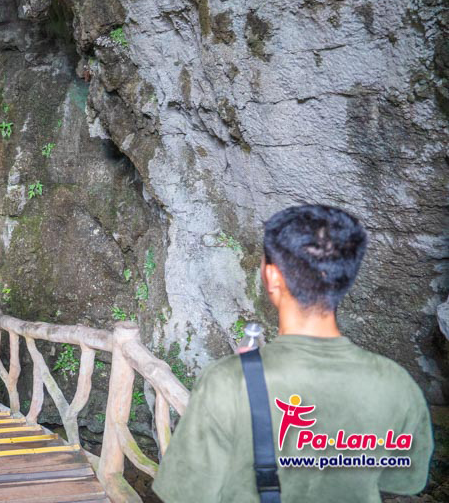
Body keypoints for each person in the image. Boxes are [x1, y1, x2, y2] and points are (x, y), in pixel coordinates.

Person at [154, 204, 432, 502]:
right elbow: (404, 480)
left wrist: (246, 373)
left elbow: (187, 493)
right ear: (346, 276)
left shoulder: (227, 382)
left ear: (273, 276)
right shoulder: (397, 383)